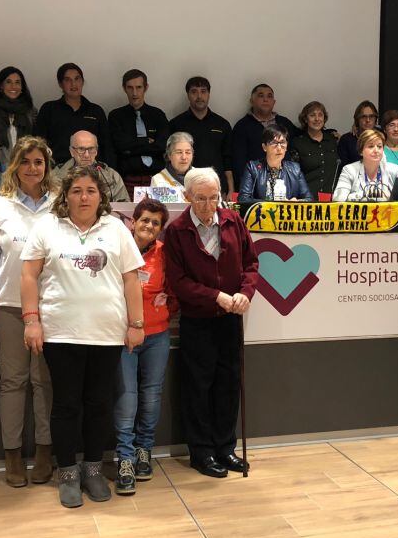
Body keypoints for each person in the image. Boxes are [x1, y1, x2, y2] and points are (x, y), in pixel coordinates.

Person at [20, 167, 145, 507]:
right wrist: (31, 320)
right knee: (65, 405)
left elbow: (132, 279)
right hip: (61, 333)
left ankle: (92, 468)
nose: (84, 197)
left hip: (106, 334)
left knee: (99, 404)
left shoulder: (116, 228)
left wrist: (137, 323)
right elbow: (29, 276)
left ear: (101, 196)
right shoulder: (47, 226)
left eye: (91, 190)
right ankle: (68, 473)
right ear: (66, 195)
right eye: (76, 190)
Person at [163, 168, 258, 478]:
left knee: (229, 383)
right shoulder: (177, 230)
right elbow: (178, 281)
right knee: (198, 387)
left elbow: (251, 264)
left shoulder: (233, 221)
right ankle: (201, 452)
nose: (207, 205)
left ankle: (225, 447)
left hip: (230, 318)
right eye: (201, 199)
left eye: (213, 198)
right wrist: (215, 296)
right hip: (198, 319)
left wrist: (245, 294)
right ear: (187, 197)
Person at [0, 136, 56, 488]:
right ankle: (12, 456)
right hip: (9, 305)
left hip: (51, 306)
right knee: (13, 382)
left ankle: (43, 453)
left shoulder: (60, 205)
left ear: (46, 167)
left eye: (38, 162)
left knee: (44, 382)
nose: (32, 168)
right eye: (25, 162)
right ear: (15, 166)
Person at [114, 197, 176, 495]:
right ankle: (124, 457)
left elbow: (176, 287)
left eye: (155, 222)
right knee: (127, 398)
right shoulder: (118, 248)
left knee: (151, 397)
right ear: (133, 221)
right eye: (144, 220)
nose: (149, 226)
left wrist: (167, 302)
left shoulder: (165, 254)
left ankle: (143, 452)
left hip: (157, 336)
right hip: (124, 336)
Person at [34, 62, 115, 169]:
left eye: (77, 79)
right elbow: (38, 145)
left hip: (91, 172)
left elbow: (107, 147)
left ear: (82, 81)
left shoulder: (96, 111)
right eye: (68, 80)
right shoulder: (49, 109)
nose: (73, 84)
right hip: (57, 172)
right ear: (60, 84)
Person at [168, 76, 235, 193]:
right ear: (188, 95)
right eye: (194, 92)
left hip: (217, 189)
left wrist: (231, 190)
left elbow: (228, 160)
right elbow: (170, 160)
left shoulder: (222, 124)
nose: (199, 96)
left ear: (209, 94)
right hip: (184, 188)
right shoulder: (176, 124)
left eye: (203, 92)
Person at [107, 69, 169, 195]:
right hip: (128, 179)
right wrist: (147, 141)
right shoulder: (116, 116)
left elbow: (162, 146)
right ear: (124, 88)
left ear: (146, 88)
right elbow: (120, 145)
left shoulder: (158, 115)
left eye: (139, 87)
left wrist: (130, 149)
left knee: (159, 213)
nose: (134, 93)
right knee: (128, 214)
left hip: (156, 178)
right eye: (130, 88)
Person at [231, 83, 300, 182]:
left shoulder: (284, 123)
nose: (265, 99)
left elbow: (305, 136)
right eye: (260, 95)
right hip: (256, 185)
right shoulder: (242, 126)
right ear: (252, 101)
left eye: (269, 96)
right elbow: (239, 162)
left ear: (274, 102)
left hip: (284, 183)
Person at [238, 126, 312, 202]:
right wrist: (274, 205)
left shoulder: (295, 169)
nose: (279, 148)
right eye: (274, 143)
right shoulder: (253, 168)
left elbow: (308, 199)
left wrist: (296, 202)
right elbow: (243, 199)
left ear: (286, 147)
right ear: (264, 147)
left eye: (282, 142)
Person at [0, 66, 37, 165]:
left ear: (22, 87)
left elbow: (36, 142)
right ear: (1, 86)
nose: (13, 86)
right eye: (8, 82)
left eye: (17, 82)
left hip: (25, 166)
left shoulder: (31, 111)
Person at [51, 131, 128, 202]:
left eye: (91, 149)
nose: (86, 155)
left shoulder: (111, 176)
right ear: (71, 151)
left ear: (96, 151)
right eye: (81, 149)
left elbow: (124, 208)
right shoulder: (56, 176)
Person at [290, 100, 339, 198]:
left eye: (320, 115)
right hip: (307, 199)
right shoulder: (297, 143)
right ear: (305, 119)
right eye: (312, 115)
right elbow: (293, 175)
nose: (317, 119)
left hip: (333, 199)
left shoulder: (333, 140)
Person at [332, 129, 397, 202]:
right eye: (371, 146)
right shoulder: (349, 170)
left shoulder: (393, 169)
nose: (376, 150)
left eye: (379, 146)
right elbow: (338, 199)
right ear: (361, 151)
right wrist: (368, 195)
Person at [338, 101, 379, 166]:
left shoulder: (381, 136)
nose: (368, 120)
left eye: (371, 116)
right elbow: (344, 167)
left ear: (375, 119)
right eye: (363, 116)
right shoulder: (346, 140)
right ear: (357, 119)